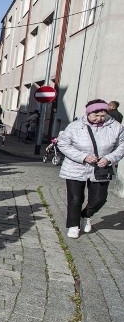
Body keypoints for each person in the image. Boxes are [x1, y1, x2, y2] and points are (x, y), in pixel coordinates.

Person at [56, 99, 124, 238]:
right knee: (75, 198)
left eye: (103, 115)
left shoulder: (116, 127)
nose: (99, 118)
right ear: (88, 113)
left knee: (99, 199)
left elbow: (121, 146)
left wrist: (109, 158)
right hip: (76, 167)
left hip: (101, 168)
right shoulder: (75, 126)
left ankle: (85, 216)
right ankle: (73, 226)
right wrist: (83, 156)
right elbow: (63, 144)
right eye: (96, 115)